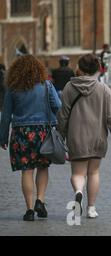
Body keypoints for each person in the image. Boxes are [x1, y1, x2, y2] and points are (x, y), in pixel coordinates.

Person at [57, 54, 111, 219]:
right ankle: (91, 208)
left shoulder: (69, 88)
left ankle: (78, 191)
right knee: (94, 173)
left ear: (79, 68)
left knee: (78, 174)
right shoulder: (104, 90)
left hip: (76, 137)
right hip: (97, 137)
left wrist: (61, 135)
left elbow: (63, 115)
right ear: (96, 70)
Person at [0, 55, 61, 221]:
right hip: (43, 132)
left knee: (26, 171)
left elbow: (5, 115)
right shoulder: (46, 85)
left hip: (21, 133)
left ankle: (29, 210)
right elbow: (58, 106)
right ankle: (40, 200)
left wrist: (3, 137)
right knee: (43, 168)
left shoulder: (12, 88)